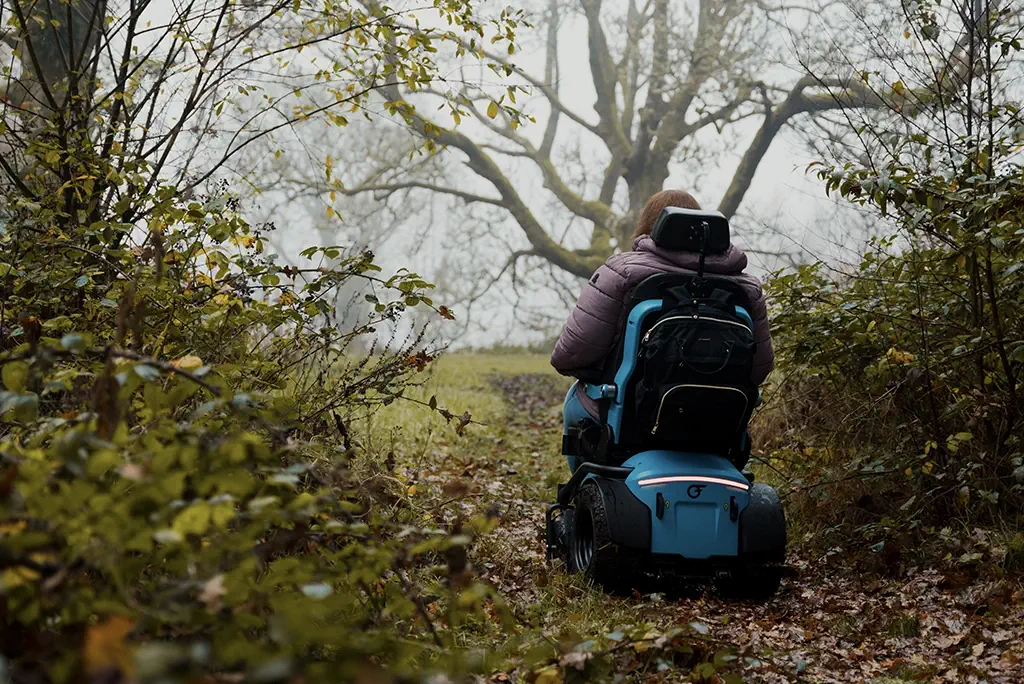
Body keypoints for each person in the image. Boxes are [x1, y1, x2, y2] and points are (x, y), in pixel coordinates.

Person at [550, 189, 774, 449]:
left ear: (650, 226)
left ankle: (584, 483)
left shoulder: (621, 273)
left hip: (631, 425)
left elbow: (571, 354)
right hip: (719, 424)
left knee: (576, 399)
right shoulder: (747, 288)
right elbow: (759, 368)